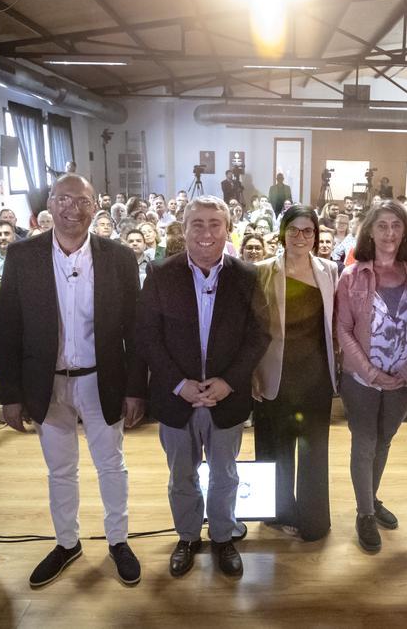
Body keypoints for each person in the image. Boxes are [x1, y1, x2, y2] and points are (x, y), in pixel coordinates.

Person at [0, 173, 146, 588]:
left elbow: (135, 331)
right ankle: (67, 542)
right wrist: (10, 394)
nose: (72, 209)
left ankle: (118, 540)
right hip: (46, 383)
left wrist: (136, 388)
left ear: (94, 206)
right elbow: (8, 328)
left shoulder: (117, 257)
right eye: (63, 199)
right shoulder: (23, 255)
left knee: (111, 465)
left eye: (81, 201)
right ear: (50, 203)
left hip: (103, 379)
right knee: (59, 470)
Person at [136, 196, 270, 578]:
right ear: (183, 227)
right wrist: (180, 385)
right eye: (197, 223)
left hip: (226, 397)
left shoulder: (247, 275)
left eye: (215, 223)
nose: (206, 232)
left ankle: (223, 536)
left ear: (228, 228)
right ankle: (188, 536)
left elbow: (259, 336)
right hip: (177, 398)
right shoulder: (161, 273)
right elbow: (147, 336)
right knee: (182, 474)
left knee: (226, 474)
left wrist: (229, 382)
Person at [335, 201, 407, 553]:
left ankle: (370, 498)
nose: (389, 233)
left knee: (385, 440)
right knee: (365, 442)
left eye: (396, 226)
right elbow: (342, 330)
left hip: (403, 378)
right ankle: (365, 513)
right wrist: (370, 371)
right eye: (382, 225)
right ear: (370, 231)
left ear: (405, 232)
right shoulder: (352, 275)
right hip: (361, 379)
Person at [252, 205, 339, 541]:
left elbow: (332, 324)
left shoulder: (329, 270)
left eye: (308, 231)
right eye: (294, 230)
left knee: (314, 447)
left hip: (315, 374)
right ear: (283, 233)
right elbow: (254, 328)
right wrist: (252, 372)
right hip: (275, 373)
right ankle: (280, 512)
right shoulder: (263, 271)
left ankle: (313, 518)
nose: (300, 237)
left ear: (316, 236)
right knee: (276, 445)